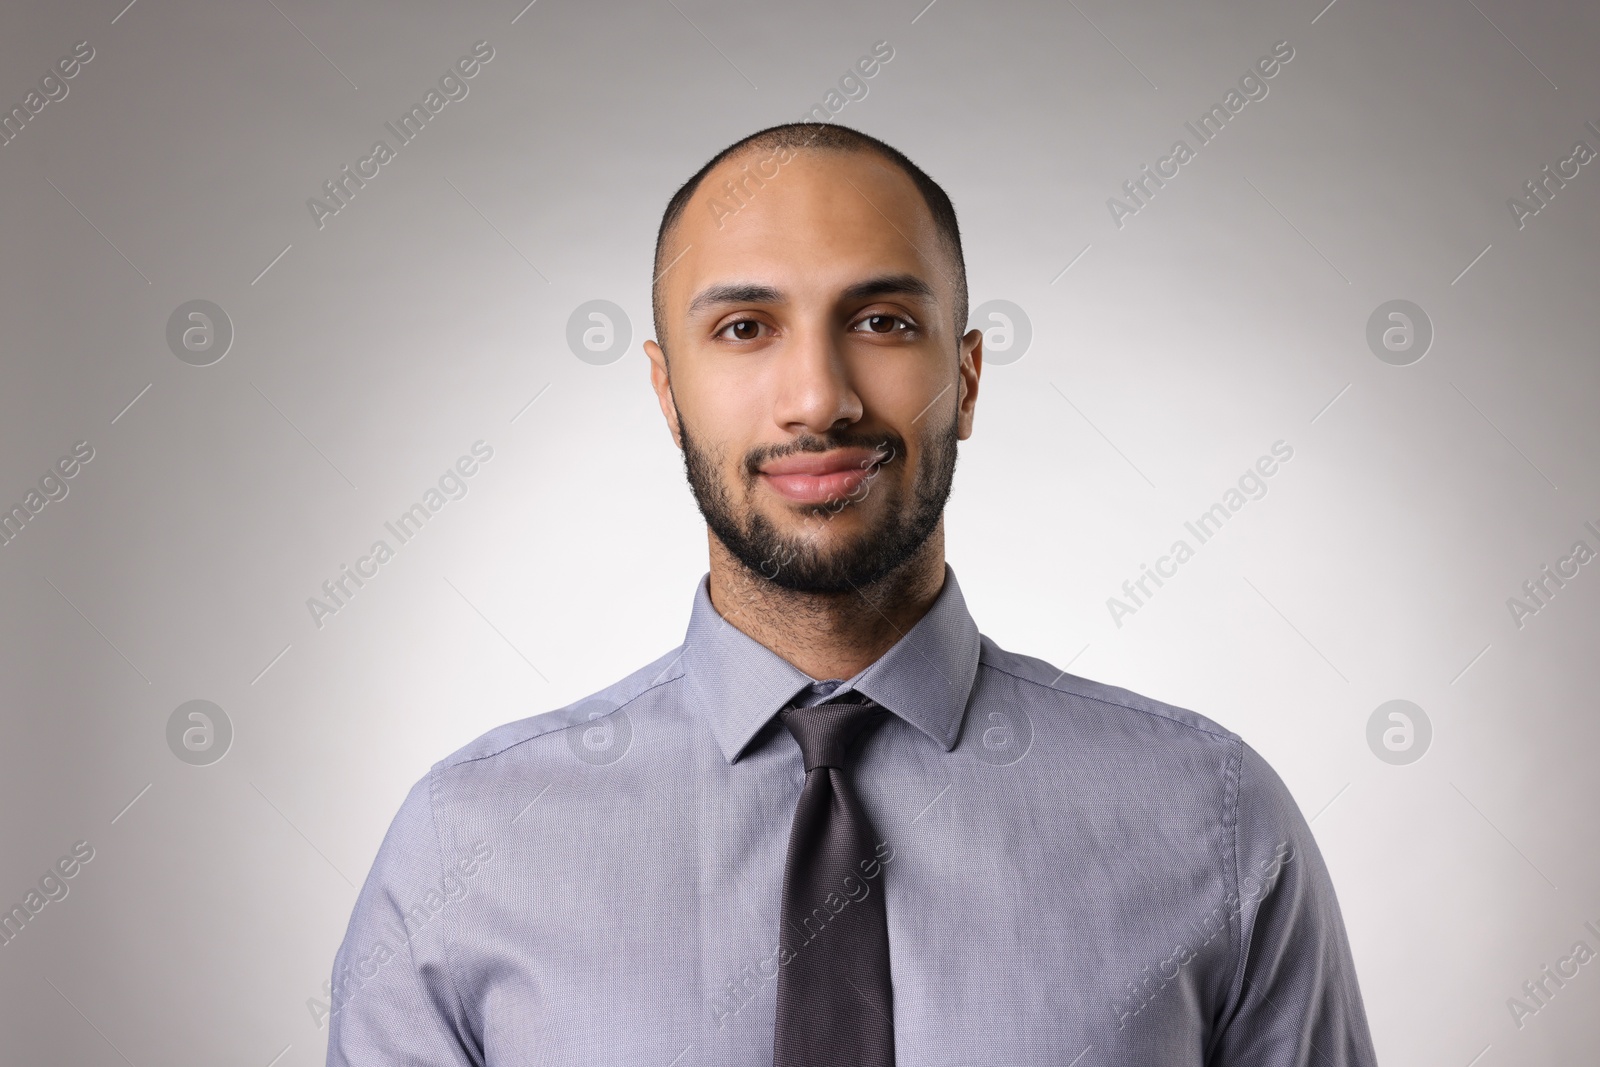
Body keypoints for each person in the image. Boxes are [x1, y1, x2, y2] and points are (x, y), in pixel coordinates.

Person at [325, 122, 1377, 1066]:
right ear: (666, 391)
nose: (819, 396)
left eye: (879, 321)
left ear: (965, 378)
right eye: (744, 328)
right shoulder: (467, 846)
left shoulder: (1214, 821)